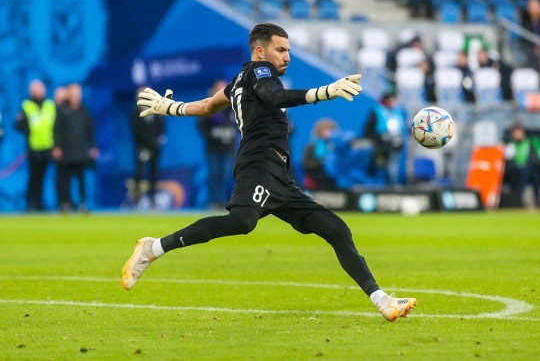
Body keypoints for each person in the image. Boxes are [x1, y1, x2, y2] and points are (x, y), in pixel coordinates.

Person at [121, 23, 417, 322]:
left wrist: (170, 107)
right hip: (259, 163)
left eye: (288, 50)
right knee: (242, 221)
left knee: (336, 229)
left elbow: (209, 105)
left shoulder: (240, 80)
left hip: (279, 174)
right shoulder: (258, 72)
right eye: (281, 50)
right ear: (260, 51)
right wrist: (325, 91)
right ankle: (152, 248)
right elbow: (274, 97)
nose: (287, 56)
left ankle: (383, 301)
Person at [53, 83, 99, 212]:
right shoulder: (62, 110)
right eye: (74, 92)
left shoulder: (84, 110)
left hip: (80, 151)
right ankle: (65, 203)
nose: (77, 95)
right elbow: (56, 129)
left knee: (81, 179)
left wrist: (93, 146)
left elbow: (90, 130)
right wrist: (57, 146)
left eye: (79, 92)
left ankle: (82, 203)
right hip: (66, 151)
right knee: (65, 179)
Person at [15, 79, 56, 211]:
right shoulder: (26, 105)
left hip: (48, 146)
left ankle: (40, 203)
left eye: (40, 89)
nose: (38, 92)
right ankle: (30, 203)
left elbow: (56, 125)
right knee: (33, 177)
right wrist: (28, 129)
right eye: (35, 89)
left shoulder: (50, 105)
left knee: (43, 177)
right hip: (33, 147)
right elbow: (18, 124)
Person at [198, 80, 238, 210]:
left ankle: (224, 201)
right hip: (213, 147)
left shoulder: (233, 105)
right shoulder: (209, 103)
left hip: (228, 147)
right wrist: (211, 134)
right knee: (214, 174)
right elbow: (201, 124)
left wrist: (229, 131)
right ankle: (215, 202)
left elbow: (238, 123)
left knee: (226, 174)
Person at [131, 87, 165, 209]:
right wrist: (147, 144)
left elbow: (161, 128)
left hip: (154, 148)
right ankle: (136, 199)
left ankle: (152, 199)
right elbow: (137, 131)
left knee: (154, 173)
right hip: (142, 147)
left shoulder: (157, 111)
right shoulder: (135, 112)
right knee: (139, 173)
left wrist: (153, 143)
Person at [363, 92, 406, 185]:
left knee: (393, 168)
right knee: (380, 167)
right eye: (390, 100)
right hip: (381, 146)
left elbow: (401, 128)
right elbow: (368, 129)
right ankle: (379, 188)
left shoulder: (397, 112)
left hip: (395, 145)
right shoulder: (377, 111)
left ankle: (392, 189)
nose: (393, 102)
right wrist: (378, 139)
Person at [503, 123, 535, 207]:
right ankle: (514, 201)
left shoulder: (529, 144)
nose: (516, 135)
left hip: (526, 170)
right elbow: (508, 160)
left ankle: (518, 201)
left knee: (526, 173)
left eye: (518, 133)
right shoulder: (510, 145)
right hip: (513, 171)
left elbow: (533, 159)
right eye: (514, 133)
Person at [302, 118, 339, 190]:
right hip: (313, 182)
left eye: (331, 130)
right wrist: (321, 162)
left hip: (332, 184)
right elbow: (306, 163)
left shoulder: (336, 146)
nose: (329, 133)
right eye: (327, 130)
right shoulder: (311, 145)